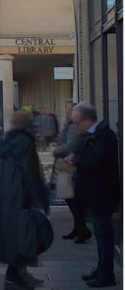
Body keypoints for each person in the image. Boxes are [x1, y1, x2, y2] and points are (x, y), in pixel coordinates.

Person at [0, 109, 48, 290]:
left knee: (15, 236)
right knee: (24, 236)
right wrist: (39, 199)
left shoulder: (4, 142)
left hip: (6, 197)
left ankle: (20, 274)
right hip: (22, 196)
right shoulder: (25, 142)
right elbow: (30, 173)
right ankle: (13, 277)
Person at [72, 102, 120, 288]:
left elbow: (97, 160)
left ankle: (106, 274)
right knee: (100, 235)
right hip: (96, 193)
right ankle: (101, 269)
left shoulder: (105, 135)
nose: (77, 127)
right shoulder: (93, 135)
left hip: (103, 194)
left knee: (104, 235)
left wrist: (77, 159)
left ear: (88, 119)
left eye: (78, 122)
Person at [52, 102, 90, 242]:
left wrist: (56, 151)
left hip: (69, 167)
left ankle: (81, 230)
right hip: (67, 167)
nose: (66, 114)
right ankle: (78, 229)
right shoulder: (70, 126)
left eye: (68, 111)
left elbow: (71, 146)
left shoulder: (74, 127)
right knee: (72, 200)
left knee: (73, 200)